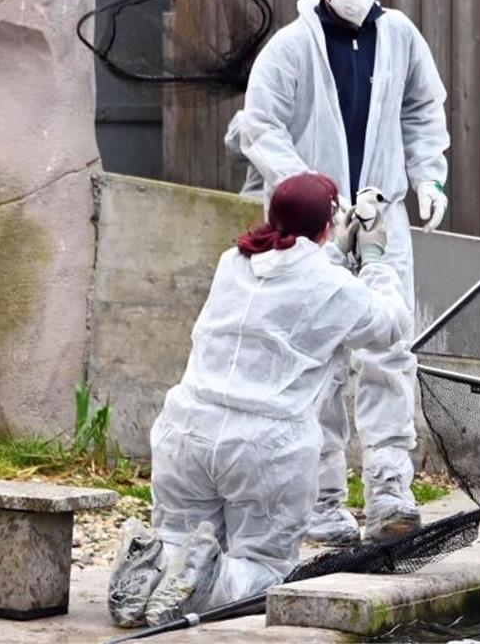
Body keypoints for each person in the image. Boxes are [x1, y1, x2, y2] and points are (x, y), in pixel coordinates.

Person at [224, 0, 450, 545]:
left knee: (389, 347)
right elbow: (260, 126)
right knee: (316, 357)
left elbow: (423, 108)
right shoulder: (291, 48)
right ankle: (323, 502)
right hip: (316, 223)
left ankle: (390, 493)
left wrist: (428, 174)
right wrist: (304, 188)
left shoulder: (399, 35)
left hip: (380, 211)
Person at [107, 172, 411, 627]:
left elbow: (290, 270)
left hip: (186, 430)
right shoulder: (335, 288)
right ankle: (211, 579)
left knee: (176, 536)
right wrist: (374, 258)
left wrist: (330, 248)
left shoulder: (232, 261)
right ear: (329, 224)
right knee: (265, 566)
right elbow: (390, 325)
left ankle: (151, 561)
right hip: (265, 448)